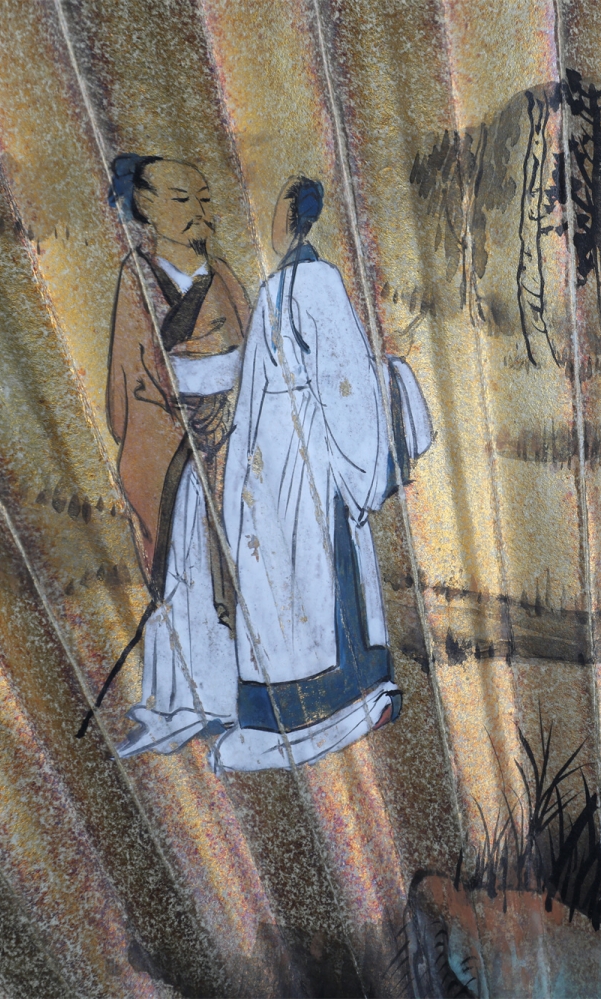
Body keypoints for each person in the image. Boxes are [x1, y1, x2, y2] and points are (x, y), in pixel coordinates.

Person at [212, 177, 409, 771]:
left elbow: (345, 381)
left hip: (309, 461)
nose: (269, 225)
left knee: (321, 574)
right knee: (278, 584)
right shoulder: (273, 287)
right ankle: (283, 710)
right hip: (269, 464)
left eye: (276, 212)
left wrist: (354, 465)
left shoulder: (318, 281)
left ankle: (347, 698)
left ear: (295, 219)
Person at [105, 154, 250, 757]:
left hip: (236, 439)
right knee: (186, 573)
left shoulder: (225, 277)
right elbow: (129, 383)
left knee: (242, 563)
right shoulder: (137, 278)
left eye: (205, 199)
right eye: (183, 199)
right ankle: (181, 704)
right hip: (174, 449)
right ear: (146, 207)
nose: (200, 213)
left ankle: (240, 697)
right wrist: (183, 429)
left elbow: (260, 356)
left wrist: (236, 416)